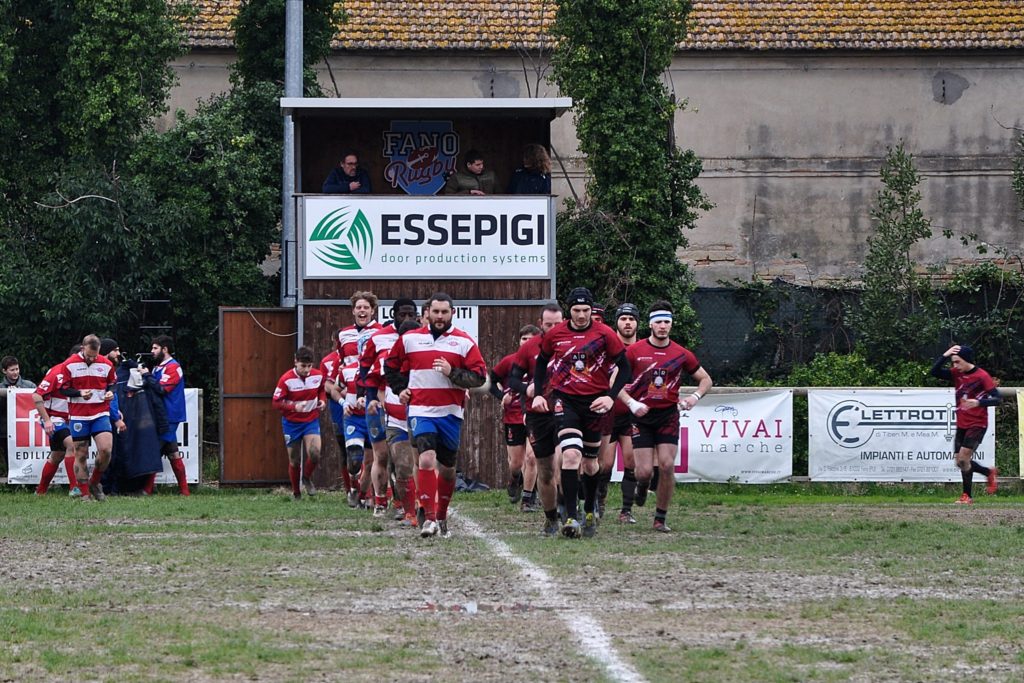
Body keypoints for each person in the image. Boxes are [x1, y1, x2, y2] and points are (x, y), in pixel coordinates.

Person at [385, 292, 487, 539]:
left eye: (444, 312)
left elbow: (479, 377)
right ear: (427, 313)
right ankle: (428, 518)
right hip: (421, 411)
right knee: (426, 460)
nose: (439, 316)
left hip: (450, 413)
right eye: (435, 312)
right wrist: (401, 389)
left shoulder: (463, 342)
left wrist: (452, 372)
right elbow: (390, 366)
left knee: (448, 468)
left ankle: (441, 515)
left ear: (452, 313)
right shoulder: (409, 339)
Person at [532, 287, 631, 539]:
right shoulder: (556, 334)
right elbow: (542, 362)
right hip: (565, 401)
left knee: (590, 463)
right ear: (569, 311)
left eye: (585, 310)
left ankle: (589, 509)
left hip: (594, 404)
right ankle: (571, 516)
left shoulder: (605, 334)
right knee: (571, 456)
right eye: (576, 310)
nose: (581, 315)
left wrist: (610, 397)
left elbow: (625, 367)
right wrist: (542, 394)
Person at [619, 301, 713, 532]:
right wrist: (632, 404)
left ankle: (660, 518)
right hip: (642, 417)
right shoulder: (634, 351)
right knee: (643, 472)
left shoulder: (680, 353)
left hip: (668, 415)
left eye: (667, 322)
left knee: (667, 465)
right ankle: (642, 486)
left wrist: (694, 397)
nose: (663, 326)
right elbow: (614, 383)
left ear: (671, 325)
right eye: (658, 322)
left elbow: (706, 379)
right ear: (650, 324)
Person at [508, 304, 566, 535]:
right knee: (546, 471)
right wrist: (527, 388)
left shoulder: (573, 345)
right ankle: (550, 517)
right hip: (538, 415)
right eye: (548, 324)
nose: (553, 328)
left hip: (566, 411)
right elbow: (512, 380)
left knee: (567, 461)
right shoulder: (530, 347)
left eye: (557, 324)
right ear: (541, 324)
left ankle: (569, 508)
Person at [360, 297, 420, 518]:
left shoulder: (426, 343)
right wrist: (370, 397)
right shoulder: (381, 343)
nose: (406, 319)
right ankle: (381, 501)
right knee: (383, 456)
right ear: (392, 315)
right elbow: (368, 372)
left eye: (410, 315)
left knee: (415, 461)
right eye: (402, 314)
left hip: (419, 412)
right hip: (386, 409)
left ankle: (410, 505)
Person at [930, 344, 1000, 504]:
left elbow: (998, 399)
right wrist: (945, 355)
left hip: (977, 424)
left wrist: (978, 402)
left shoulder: (982, 376)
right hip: (962, 424)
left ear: (966, 360)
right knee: (960, 462)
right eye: (953, 362)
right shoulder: (956, 373)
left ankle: (967, 496)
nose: (955, 366)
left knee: (964, 458)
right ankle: (988, 472)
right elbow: (934, 372)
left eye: (957, 362)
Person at [489, 324, 541, 511]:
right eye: (523, 339)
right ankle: (514, 479)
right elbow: (491, 381)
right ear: (519, 341)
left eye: (531, 339)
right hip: (513, 418)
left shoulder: (542, 361)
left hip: (535, 416)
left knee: (532, 457)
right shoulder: (510, 361)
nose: (527, 343)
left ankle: (528, 499)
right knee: (517, 463)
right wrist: (501, 396)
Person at [60, 335, 118, 501]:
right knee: (81, 454)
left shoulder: (106, 364)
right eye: (89, 355)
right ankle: (84, 493)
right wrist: (79, 393)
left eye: (95, 355)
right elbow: (63, 389)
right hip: (79, 415)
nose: (92, 359)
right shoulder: (69, 364)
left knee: (106, 449)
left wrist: (110, 392)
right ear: (83, 348)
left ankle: (94, 482)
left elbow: (113, 383)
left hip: (100, 413)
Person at [272, 346, 326, 500]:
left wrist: (322, 401)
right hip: (291, 423)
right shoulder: (285, 379)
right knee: (295, 461)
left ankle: (307, 477)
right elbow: (275, 403)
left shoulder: (318, 375)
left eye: (309, 366)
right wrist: (293, 406)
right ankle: (296, 492)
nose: (306, 370)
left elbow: (321, 390)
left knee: (315, 453)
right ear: (295, 362)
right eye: (303, 366)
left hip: (310, 420)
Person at [139, 335, 190, 496]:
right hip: (160, 415)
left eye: (155, 348)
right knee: (172, 451)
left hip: (169, 416)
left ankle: (147, 489)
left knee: (155, 450)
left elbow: (161, 389)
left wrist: (147, 376)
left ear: (165, 349)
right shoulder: (158, 367)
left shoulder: (173, 367)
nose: (151, 351)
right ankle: (184, 491)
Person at [32, 347, 78, 496]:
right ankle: (74, 488)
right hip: (55, 418)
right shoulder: (57, 372)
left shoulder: (80, 374)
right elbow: (36, 396)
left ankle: (40, 491)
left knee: (57, 455)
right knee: (71, 444)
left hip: (70, 418)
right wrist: (47, 421)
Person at [1, 355, 36, 474]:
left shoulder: (29, 385)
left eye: (17, 369)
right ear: (4, 371)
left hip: (26, 429)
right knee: (8, 455)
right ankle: (12, 480)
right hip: (5, 430)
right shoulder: (0, 388)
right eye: (12, 370)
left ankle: (31, 480)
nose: (15, 372)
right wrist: (8, 395)